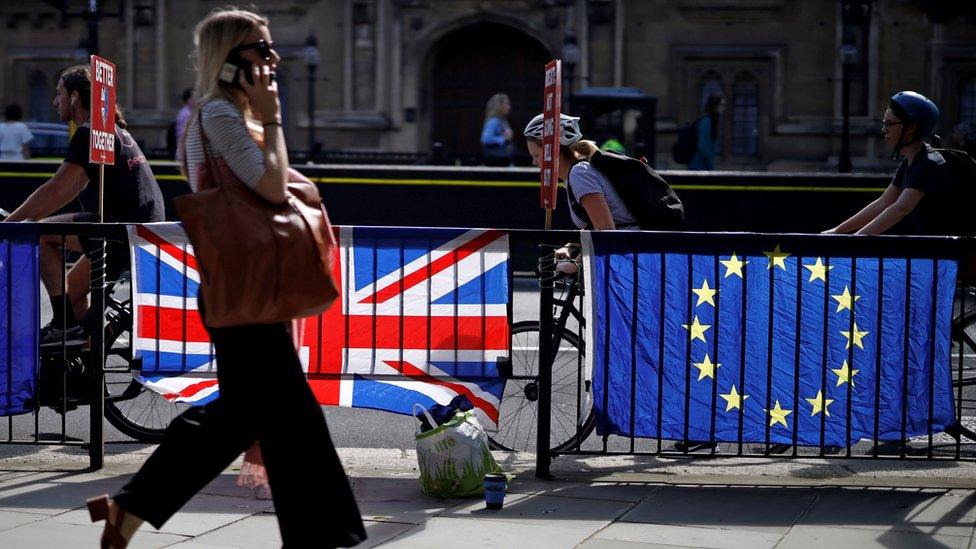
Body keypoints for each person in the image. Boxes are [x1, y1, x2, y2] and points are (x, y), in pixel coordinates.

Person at [85, 8, 366, 548]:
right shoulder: (217, 116)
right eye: (260, 49)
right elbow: (272, 190)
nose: (273, 58)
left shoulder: (229, 115)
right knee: (288, 417)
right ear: (231, 58)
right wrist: (275, 118)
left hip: (244, 286)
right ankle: (323, 537)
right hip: (244, 289)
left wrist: (265, 118)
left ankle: (130, 509)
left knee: (250, 416)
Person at [4, 66, 165, 348]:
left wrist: (12, 224)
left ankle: (64, 325)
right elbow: (70, 188)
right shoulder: (107, 130)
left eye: (59, 94)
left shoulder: (90, 132)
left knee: (40, 234)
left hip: (123, 229)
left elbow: (56, 189)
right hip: (139, 227)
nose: (55, 102)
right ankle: (84, 365)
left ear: (75, 97)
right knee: (74, 292)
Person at [824, 91, 954, 236]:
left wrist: (856, 239)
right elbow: (883, 203)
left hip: (956, 254)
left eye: (890, 124)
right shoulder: (910, 161)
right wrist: (837, 231)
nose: (883, 130)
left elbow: (900, 209)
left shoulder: (928, 164)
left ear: (911, 127)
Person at [523, 112, 638, 230]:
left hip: (634, 246)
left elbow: (606, 231)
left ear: (552, 150)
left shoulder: (579, 174)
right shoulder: (575, 174)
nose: (534, 162)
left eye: (536, 155)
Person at [689, 92, 725, 171]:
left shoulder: (711, 121)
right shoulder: (707, 121)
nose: (723, 108)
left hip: (702, 165)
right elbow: (703, 145)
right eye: (721, 105)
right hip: (699, 166)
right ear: (715, 105)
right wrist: (710, 165)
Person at [481, 93, 514, 167]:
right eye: (507, 104)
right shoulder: (494, 121)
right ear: (499, 106)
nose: (509, 107)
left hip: (503, 160)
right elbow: (485, 139)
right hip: (496, 160)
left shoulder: (502, 120)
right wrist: (503, 139)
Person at [171, 88, 194, 161]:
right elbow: (183, 135)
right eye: (194, 97)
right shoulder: (186, 114)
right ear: (188, 100)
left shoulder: (190, 112)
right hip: (186, 152)